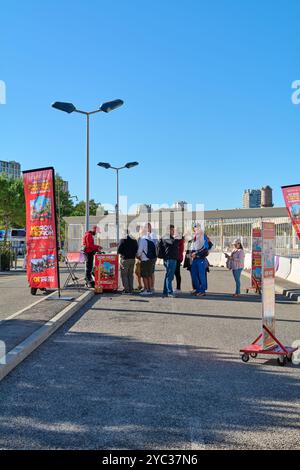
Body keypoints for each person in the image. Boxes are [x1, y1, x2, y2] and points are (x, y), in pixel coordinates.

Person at [158, 225, 179, 297]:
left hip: (171, 258)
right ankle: (169, 292)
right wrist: (176, 237)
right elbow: (173, 243)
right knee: (169, 276)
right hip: (169, 259)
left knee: (168, 275)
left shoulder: (170, 237)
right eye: (172, 230)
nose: (174, 231)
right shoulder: (166, 237)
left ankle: (165, 291)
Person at [137, 224, 158, 296]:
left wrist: (137, 256)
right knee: (149, 274)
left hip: (144, 259)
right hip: (151, 258)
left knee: (144, 276)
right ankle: (150, 288)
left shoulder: (143, 240)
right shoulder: (150, 239)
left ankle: (146, 289)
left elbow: (139, 251)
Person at [190, 224, 209, 297]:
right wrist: (191, 253)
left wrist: (196, 253)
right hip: (195, 259)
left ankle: (202, 291)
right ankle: (197, 289)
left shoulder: (203, 236)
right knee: (194, 275)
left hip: (201, 259)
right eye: (195, 228)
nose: (196, 230)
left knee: (201, 275)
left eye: (197, 228)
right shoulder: (195, 237)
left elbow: (205, 248)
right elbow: (192, 247)